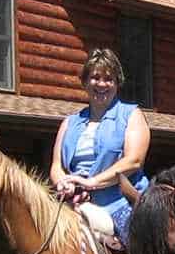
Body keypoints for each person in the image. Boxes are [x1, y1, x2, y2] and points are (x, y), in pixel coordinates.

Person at [50, 48, 150, 241]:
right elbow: (57, 166)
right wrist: (64, 184)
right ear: (85, 82)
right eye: (95, 77)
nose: (102, 84)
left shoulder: (131, 115)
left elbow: (134, 161)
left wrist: (91, 183)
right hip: (73, 201)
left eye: (109, 79)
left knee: (142, 250)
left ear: (117, 83)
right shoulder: (69, 123)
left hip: (120, 202)